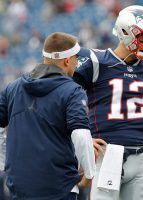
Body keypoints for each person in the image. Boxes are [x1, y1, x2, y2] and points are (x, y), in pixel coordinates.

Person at [73, 5, 143, 200]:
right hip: (106, 155)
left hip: (142, 159)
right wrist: (83, 138)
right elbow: (66, 99)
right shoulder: (97, 61)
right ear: (125, 32)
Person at [0, 32, 96, 200]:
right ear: (67, 60)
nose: (77, 62)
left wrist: (4, 162)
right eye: (75, 58)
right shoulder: (72, 90)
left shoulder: (12, 88)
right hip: (58, 186)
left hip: (19, 187)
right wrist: (89, 172)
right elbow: (81, 134)